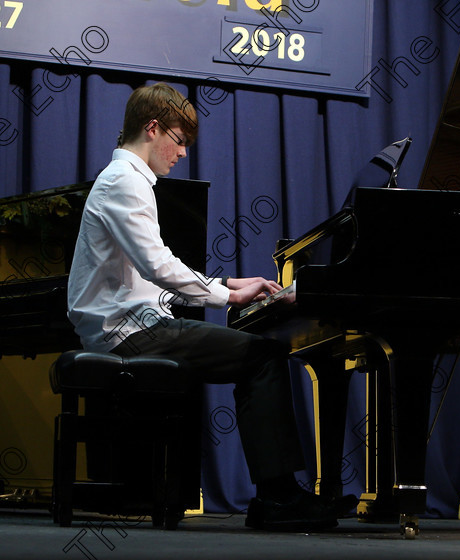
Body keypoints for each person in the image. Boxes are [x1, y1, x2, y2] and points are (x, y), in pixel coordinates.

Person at [66, 82, 341, 531]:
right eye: (179, 141)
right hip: (130, 335)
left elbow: (146, 281)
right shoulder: (125, 181)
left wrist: (229, 282)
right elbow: (158, 267)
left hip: (132, 324)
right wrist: (229, 296)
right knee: (263, 357)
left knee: (258, 355)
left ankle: (276, 494)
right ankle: (277, 498)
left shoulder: (125, 180)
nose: (182, 154)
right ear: (153, 129)